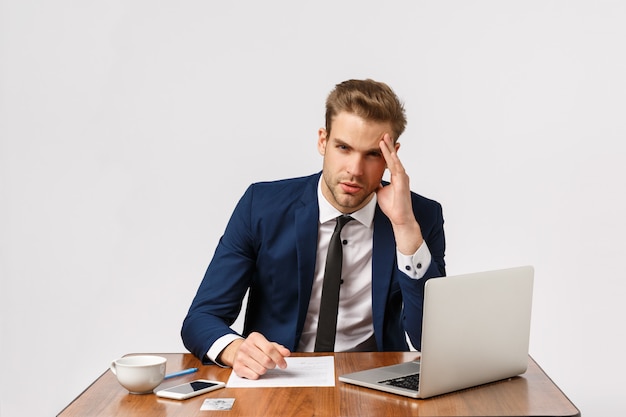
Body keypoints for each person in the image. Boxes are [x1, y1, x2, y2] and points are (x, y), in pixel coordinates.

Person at [181, 79, 446, 380]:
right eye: (343, 148)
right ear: (323, 141)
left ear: (392, 155)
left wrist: (405, 228)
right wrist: (235, 349)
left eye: (372, 154)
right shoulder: (262, 206)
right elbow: (201, 318)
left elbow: (431, 340)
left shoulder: (421, 217)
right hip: (279, 376)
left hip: (375, 380)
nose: (355, 170)